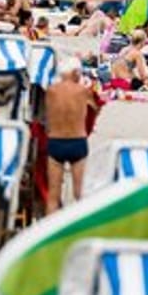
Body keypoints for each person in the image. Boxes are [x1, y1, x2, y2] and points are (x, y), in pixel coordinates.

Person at [44, 59, 97, 211]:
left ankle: (51, 232)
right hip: (77, 141)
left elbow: (46, 114)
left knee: (53, 196)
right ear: (75, 72)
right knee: (80, 194)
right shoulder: (82, 91)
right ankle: (81, 231)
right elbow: (95, 107)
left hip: (56, 141)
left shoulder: (52, 91)